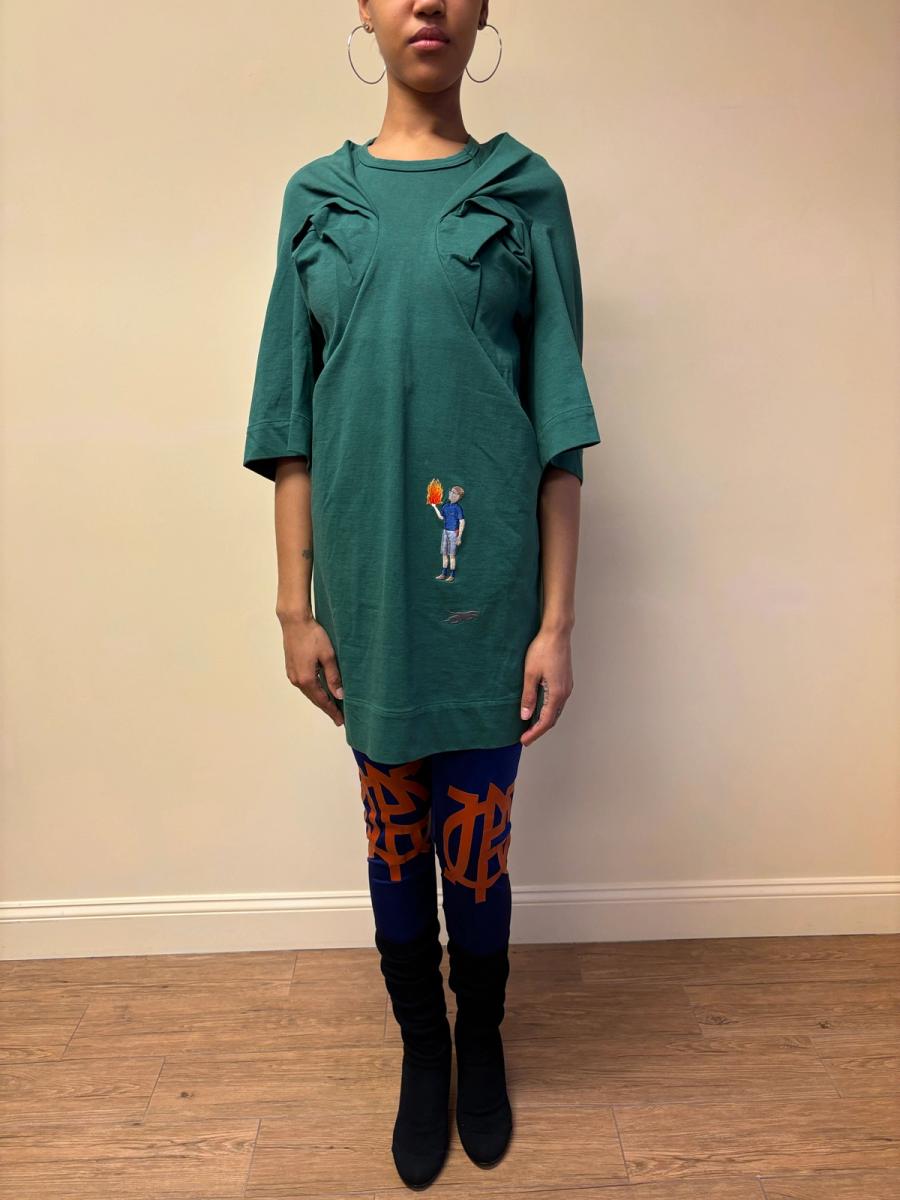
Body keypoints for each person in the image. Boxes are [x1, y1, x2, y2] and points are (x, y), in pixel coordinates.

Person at [242, 1, 601, 1189]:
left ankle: (480, 1033)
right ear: (364, 9)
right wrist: (294, 608)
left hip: (488, 597)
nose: (427, 5)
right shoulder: (316, 199)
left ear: (486, 9)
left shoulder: (525, 192)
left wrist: (556, 623)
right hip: (367, 598)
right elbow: (289, 426)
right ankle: (422, 1049)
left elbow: (559, 430)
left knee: (476, 848)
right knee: (393, 838)